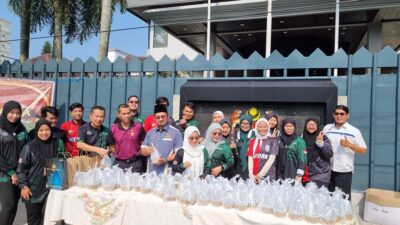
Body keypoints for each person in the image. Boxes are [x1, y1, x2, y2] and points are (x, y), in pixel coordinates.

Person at [17, 119, 64, 225]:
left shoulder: (57, 143)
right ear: (36, 131)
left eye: (47, 129)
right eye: (41, 130)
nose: (44, 133)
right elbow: (21, 169)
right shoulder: (29, 147)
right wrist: (24, 186)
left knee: (48, 218)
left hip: (52, 187)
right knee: (34, 218)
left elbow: (61, 162)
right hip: (33, 189)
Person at [323, 105, 367, 199]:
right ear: (333, 115)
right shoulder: (327, 129)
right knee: (329, 196)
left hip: (344, 170)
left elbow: (363, 150)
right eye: (337, 113)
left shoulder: (354, 131)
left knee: (343, 199)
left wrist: (349, 145)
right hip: (327, 169)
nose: (339, 116)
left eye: (342, 114)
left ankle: (344, 214)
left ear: (347, 115)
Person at [0, 101, 29, 225]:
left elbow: (28, 150)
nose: (15, 116)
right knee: (8, 205)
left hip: (20, 173)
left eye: (18, 113)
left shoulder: (22, 130)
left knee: (13, 207)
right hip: (4, 175)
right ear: (5, 112)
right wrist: (11, 172)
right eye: (12, 112)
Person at [140, 104, 183, 174]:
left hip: (168, 173)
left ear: (167, 116)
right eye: (158, 117)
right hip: (151, 173)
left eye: (163, 116)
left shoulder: (176, 132)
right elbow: (142, 151)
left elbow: (179, 153)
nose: (160, 119)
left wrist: (165, 160)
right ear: (154, 118)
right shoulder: (150, 133)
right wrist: (148, 151)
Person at [108, 104, 146, 173]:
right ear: (118, 115)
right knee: (118, 184)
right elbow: (112, 146)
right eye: (124, 114)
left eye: (128, 113)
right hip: (119, 164)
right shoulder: (113, 129)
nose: (127, 116)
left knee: (136, 184)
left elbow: (144, 143)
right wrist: (119, 155)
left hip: (136, 163)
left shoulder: (139, 127)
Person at [302, 118, 333, 187]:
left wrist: (321, 144)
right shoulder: (302, 138)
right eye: (309, 125)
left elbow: (329, 154)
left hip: (321, 174)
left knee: (316, 196)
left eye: (313, 125)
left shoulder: (323, 137)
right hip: (305, 173)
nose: (311, 127)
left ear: (317, 126)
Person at [247, 118, 279, 183]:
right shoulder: (252, 141)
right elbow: (250, 159)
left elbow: (271, 159)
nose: (262, 129)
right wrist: (251, 175)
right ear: (256, 128)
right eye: (260, 127)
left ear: (268, 127)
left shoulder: (272, 141)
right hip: (254, 177)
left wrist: (260, 175)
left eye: (265, 126)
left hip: (268, 177)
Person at [234, 115, 255, 179]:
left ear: (251, 124)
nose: (245, 125)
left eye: (247, 123)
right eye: (243, 123)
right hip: (238, 169)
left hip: (252, 170)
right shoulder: (236, 136)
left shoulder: (255, 136)